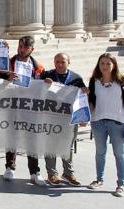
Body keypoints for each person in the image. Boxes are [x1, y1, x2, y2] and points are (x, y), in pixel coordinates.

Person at [87, 53, 124, 197]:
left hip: (117, 122)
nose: (105, 66)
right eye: (102, 63)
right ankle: (99, 180)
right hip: (98, 121)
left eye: (108, 64)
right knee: (100, 152)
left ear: (114, 65)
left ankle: (121, 184)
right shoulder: (94, 81)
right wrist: (87, 116)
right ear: (99, 65)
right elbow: (91, 101)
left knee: (119, 154)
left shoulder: (122, 82)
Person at [0, 35, 45, 184]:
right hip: (12, 106)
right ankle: (10, 167)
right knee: (11, 137)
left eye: (25, 47)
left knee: (31, 139)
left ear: (32, 49)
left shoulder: (38, 68)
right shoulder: (8, 64)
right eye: (20, 46)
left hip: (30, 108)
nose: (22, 49)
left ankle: (34, 172)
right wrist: (7, 78)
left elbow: (43, 85)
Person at [42, 53, 86, 186]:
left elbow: (81, 98)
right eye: (57, 62)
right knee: (50, 146)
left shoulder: (76, 78)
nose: (60, 64)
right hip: (51, 117)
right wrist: (42, 84)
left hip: (69, 118)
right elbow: (35, 89)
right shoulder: (47, 75)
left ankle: (68, 173)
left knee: (68, 146)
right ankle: (52, 174)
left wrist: (83, 116)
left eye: (63, 62)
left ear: (69, 62)